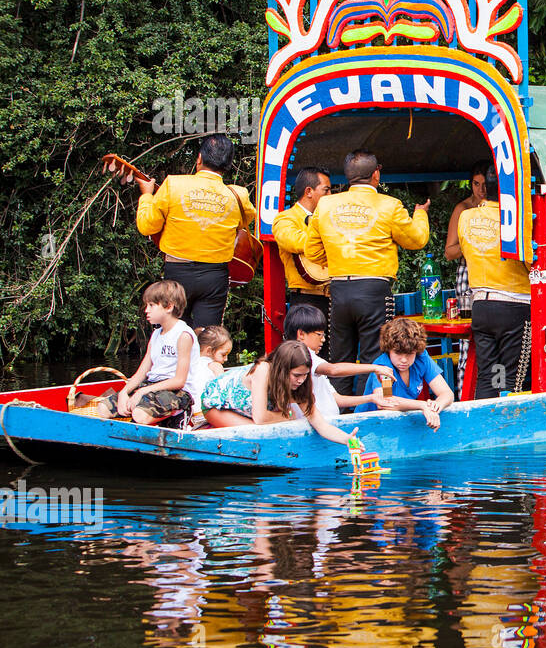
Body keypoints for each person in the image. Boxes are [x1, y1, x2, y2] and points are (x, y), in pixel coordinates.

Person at [305, 150, 430, 394]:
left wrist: (338, 260)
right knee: (375, 359)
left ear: (348, 177)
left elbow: (313, 251)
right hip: (374, 289)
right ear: (376, 175)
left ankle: (338, 416)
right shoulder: (389, 205)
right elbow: (417, 239)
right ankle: (370, 416)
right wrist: (421, 214)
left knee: (340, 358)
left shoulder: (326, 204)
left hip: (339, 289)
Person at [134, 134, 256, 329]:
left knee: (173, 332)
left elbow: (147, 226)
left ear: (199, 158)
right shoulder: (238, 195)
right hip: (215, 275)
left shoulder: (173, 184)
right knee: (207, 337)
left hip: (177, 272)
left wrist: (147, 196)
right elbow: (244, 221)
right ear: (228, 164)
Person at [200, 341, 365, 450]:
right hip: (217, 405)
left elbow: (321, 425)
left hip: (247, 412)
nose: (301, 380)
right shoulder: (263, 370)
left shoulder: (300, 386)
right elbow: (261, 419)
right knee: (255, 432)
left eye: (305, 375)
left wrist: (347, 439)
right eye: (296, 375)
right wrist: (290, 415)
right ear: (283, 369)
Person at [460, 176, 532, 398]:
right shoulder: (516, 219)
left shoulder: (466, 217)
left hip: (482, 304)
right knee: (513, 378)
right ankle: (509, 429)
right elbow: (531, 262)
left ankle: (486, 427)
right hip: (514, 306)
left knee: (490, 375)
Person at [94, 280, 203, 425]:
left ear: (169, 307)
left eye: (151, 305)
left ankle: (177, 416)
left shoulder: (183, 335)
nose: (146, 310)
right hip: (152, 386)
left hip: (178, 392)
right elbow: (141, 372)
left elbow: (179, 381)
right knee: (102, 408)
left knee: (139, 414)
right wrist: (123, 393)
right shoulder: (156, 334)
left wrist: (141, 392)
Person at [282, 303, 394, 417]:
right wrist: (375, 368)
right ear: (301, 334)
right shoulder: (302, 356)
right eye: (319, 334)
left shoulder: (313, 361)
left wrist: (371, 398)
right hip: (317, 427)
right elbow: (333, 370)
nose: (323, 339)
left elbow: (337, 399)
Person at [444, 160, 492, 393]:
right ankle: (465, 391)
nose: (480, 189)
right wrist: (475, 240)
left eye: (484, 184)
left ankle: (493, 391)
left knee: (491, 337)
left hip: (494, 276)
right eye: (476, 184)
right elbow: (449, 252)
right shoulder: (463, 209)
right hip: (469, 275)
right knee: (468, 335)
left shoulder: (499, 207)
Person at [354, 317, 455, 428]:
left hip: (398, 424)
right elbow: (385, 402)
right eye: (398, 353)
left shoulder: (421, 358)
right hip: (369, 425)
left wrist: (435, 406)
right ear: (389, 350)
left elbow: (447, 393)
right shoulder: (383, 367)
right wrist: (423, 405)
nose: (404, 360)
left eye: (409, 354)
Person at [273, 166, 332, 331]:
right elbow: (292, 240)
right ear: (308, 191)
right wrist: (329, 242)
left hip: (334, 298)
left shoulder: (329, 218)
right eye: (326, 190)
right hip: (306, 299)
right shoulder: (285, 219)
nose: (330, 196)